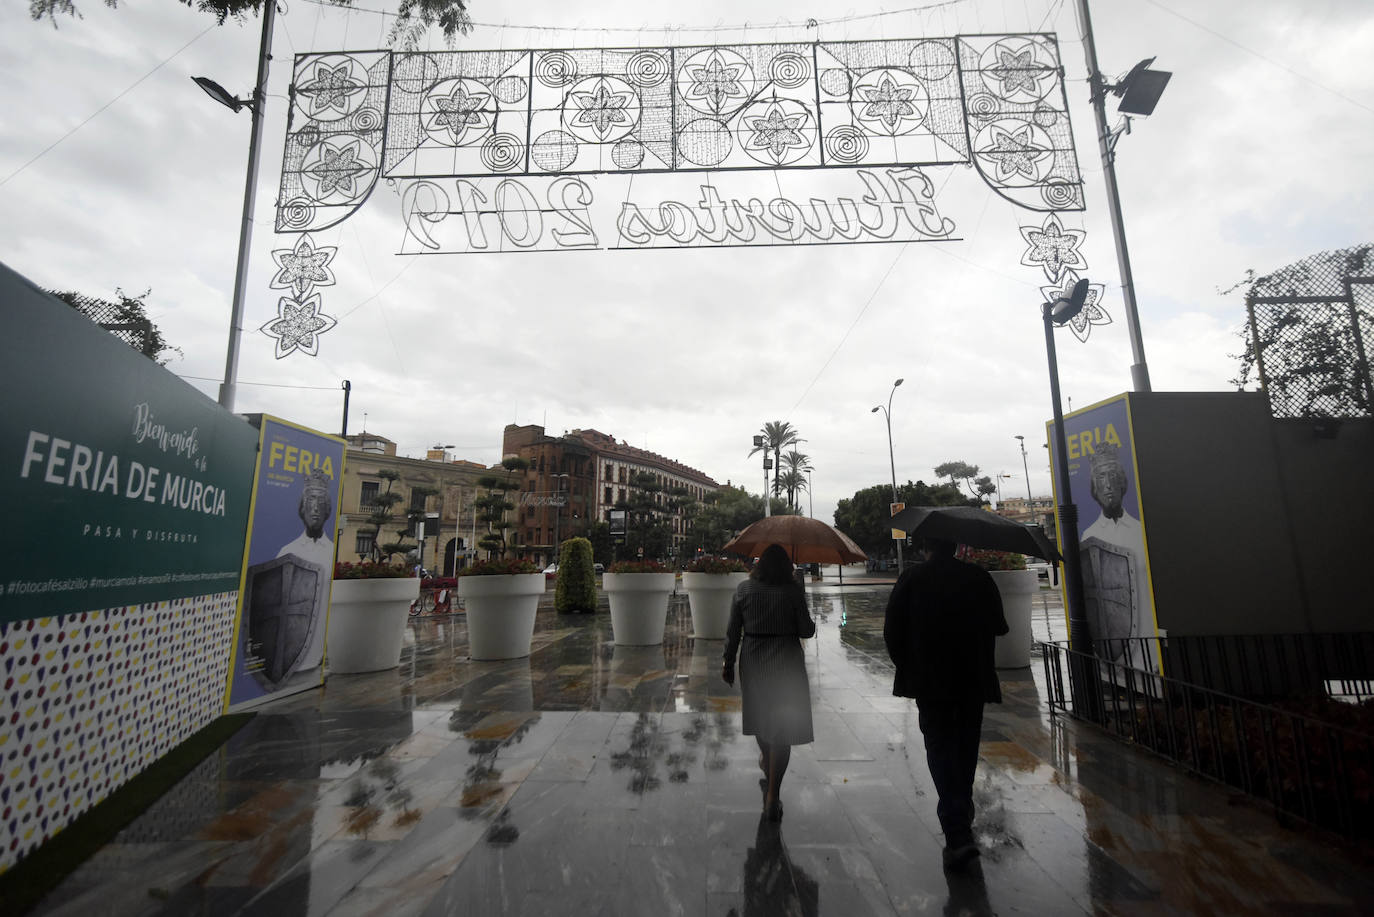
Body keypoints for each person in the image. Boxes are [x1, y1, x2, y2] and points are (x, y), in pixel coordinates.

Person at [883, 537, 1008, 870]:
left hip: (930, 680)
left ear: (925, 548)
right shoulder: (979, 577)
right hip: (972, 679)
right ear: (955, 547)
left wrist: (908, 665)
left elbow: (892, 631)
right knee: (966, 747)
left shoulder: (912, 579)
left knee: (939, 746)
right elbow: (999, 626)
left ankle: (957, 830)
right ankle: (960, 812)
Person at [723, 543, 817, 821]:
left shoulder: (743, 590)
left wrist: (727, 663)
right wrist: (801, 599)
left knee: (760, 717)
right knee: (783, 728)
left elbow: (732, 632)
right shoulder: (792, 591)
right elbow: (806, 631)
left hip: (753, 660)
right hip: (787, 663)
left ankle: (766, 760)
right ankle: (773, 795)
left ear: (759, 565)